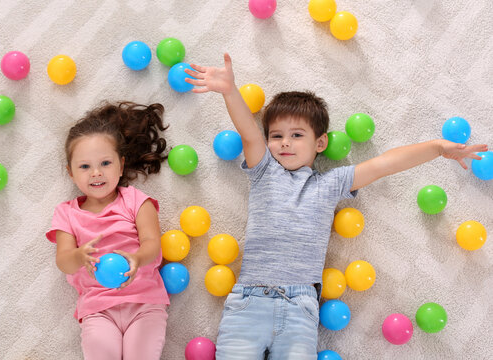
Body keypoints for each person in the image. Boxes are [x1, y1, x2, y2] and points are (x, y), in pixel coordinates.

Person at [184, 54, 488, 359]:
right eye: (276, 136)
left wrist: (436, 148)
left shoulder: (331, 183)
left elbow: (384, 164)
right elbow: (249, 134)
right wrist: (228, 91)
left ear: (320, 143)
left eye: (297, 135)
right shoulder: (265, 170)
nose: (285, 143)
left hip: (300, 308)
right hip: (249, 301)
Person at [46, 101, 170, 360]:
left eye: (105, 163)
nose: (96, 173)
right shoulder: (67, 213)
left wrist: (136, 258)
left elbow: (152, 244)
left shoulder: (136, 201)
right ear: (70, 173)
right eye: (84, 167)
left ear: (121, 165)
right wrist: (79, 256)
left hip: (144, 304)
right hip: (98, 309)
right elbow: (64, 262)